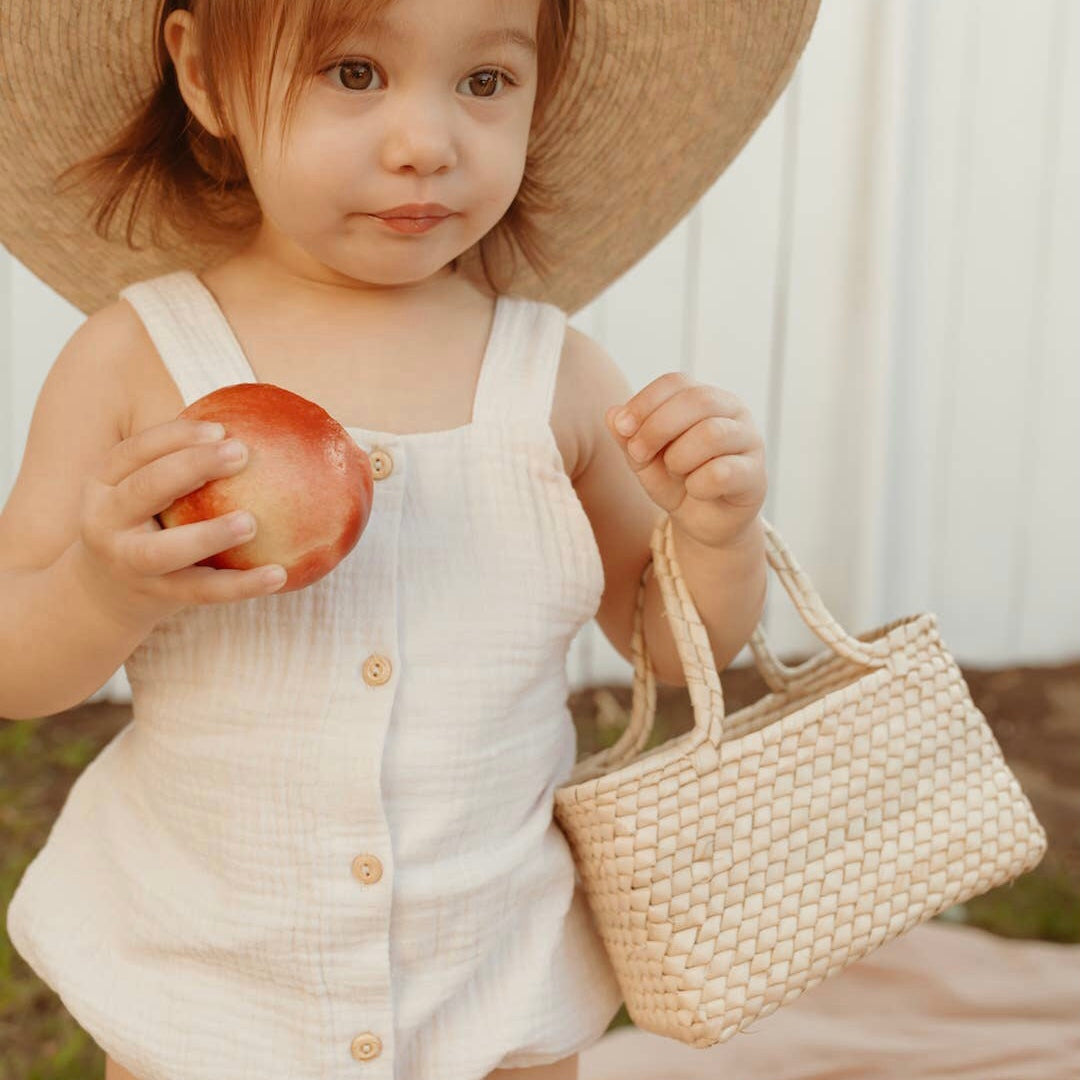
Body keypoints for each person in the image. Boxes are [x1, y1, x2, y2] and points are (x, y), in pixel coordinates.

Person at [0, 0, 819, 1077]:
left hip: (491, 982)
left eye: (485, 83)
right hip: (211, 991)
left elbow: (669, 646)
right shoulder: (138, 362)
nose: (426, 144)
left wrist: (716, 536)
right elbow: (16, 666)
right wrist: (106, 588)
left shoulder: (555, 380)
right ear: (201, 74)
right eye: (352, 72)